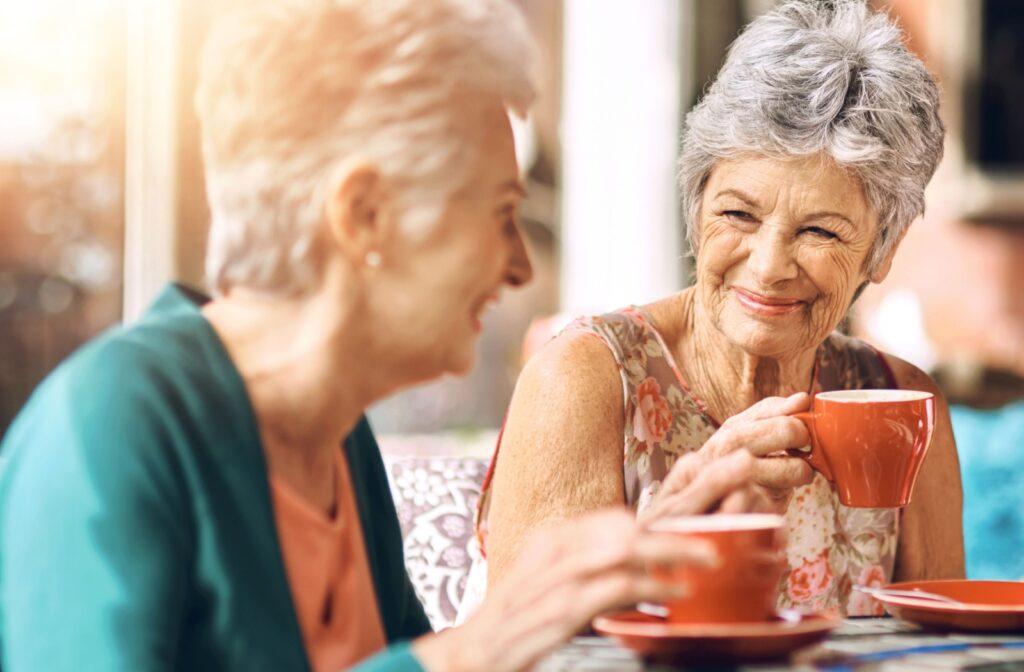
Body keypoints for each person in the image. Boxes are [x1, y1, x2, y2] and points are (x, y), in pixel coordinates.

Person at [0, 1, 773, 671]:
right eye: (501, 214)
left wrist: (602, 580)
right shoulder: (107, 429)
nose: (516, 265)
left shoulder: (339, 442)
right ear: (363, 213)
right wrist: (477, 648)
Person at [468, 0, 965, 619]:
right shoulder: (583, 380)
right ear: (697, 205)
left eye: (820, 231)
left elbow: (949, 643)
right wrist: (675, 526)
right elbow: (522, 645)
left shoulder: (901, 404)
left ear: (881, 253)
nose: (767, 266)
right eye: (738, 214)